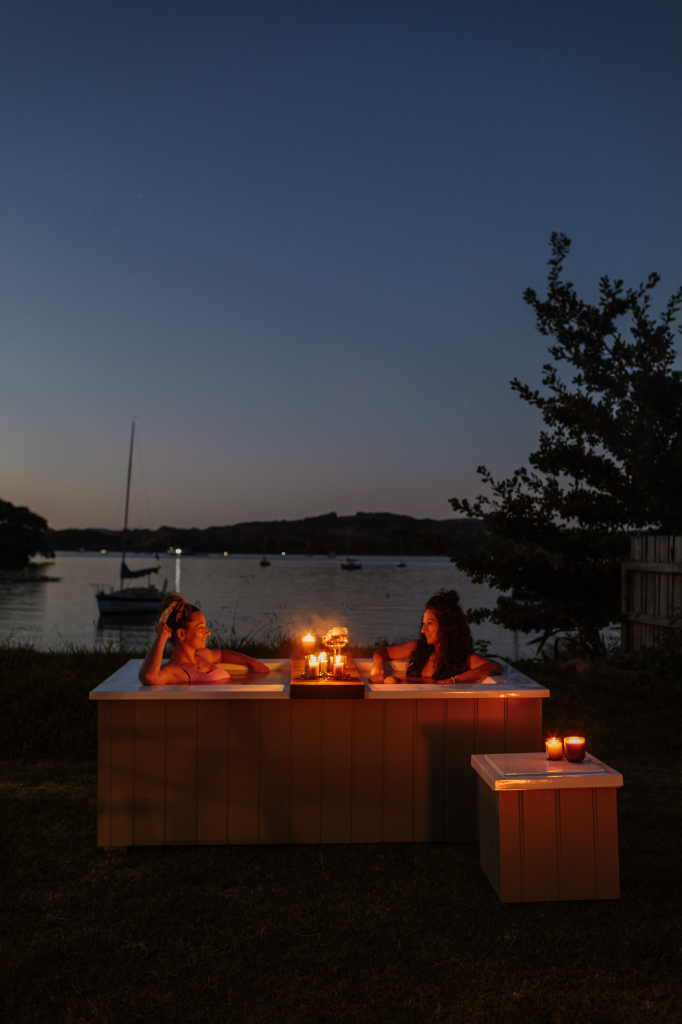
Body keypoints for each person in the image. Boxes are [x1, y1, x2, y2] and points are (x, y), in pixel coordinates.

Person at [370, 588, 502, 683]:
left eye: (429, 623)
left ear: (446, 626)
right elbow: (384, 651)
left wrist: (455, 680)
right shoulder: (418, 648)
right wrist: (378, 661)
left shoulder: (463, 659)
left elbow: (494, 666)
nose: (423, 629)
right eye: (423, 623)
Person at [138, 593, 271, 685]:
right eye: (201, 628)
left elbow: (222, 655)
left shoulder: (201, 656)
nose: (208, 632)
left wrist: (253, 662)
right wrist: (162, 636)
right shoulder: (176, 670)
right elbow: (149, 677)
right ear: (181, 634)